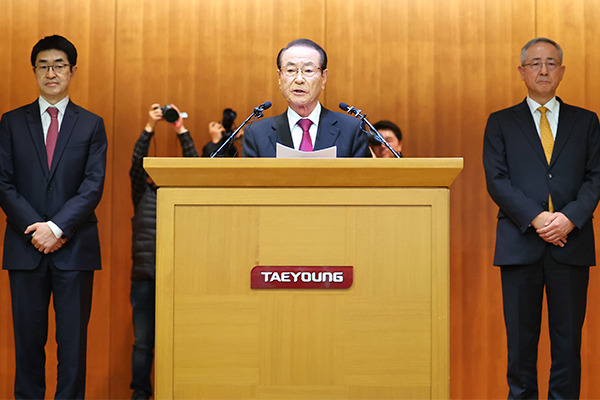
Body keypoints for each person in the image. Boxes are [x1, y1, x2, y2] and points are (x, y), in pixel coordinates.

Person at [483, 37, 600, 399]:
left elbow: (596, 176)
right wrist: (537, 219)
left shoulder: (586, 121)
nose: (543, 70)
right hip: (520, 245)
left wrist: (569, 218)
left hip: (572, 243)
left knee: (568, 346)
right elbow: (497, 180)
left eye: (551, 63)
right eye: (535, 63)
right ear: (522, 72)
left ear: (562, 71)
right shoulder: (500, 122)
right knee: (520, 346)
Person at [0, 35, 108, 399]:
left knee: (73, 348)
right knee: (28, 344)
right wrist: (37, 229)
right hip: (25, 246)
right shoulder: (11, 122)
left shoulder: (91, 125)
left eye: (59, 65)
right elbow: (3, 182)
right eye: (43, 65)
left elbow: (93, 186)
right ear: (34, 71)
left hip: (74, 248)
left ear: (72, 71)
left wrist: (57, 228)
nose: (51, 72)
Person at [129, 103, 198, 399]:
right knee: (143, 342)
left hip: (178, 277)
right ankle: (140, 394)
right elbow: (135, 163)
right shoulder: (140, 192)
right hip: (145, 277)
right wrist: (149, 127)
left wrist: (180, 130)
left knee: (181, 341)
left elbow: (196, 168)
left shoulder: (182, 194)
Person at [241, 38, 371, 158]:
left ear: (323, 77)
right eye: (291, 70)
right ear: (279, 77)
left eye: (308, 71)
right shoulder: (256, 133)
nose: (299, 79)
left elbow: (364, 180)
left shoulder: (351, 129)